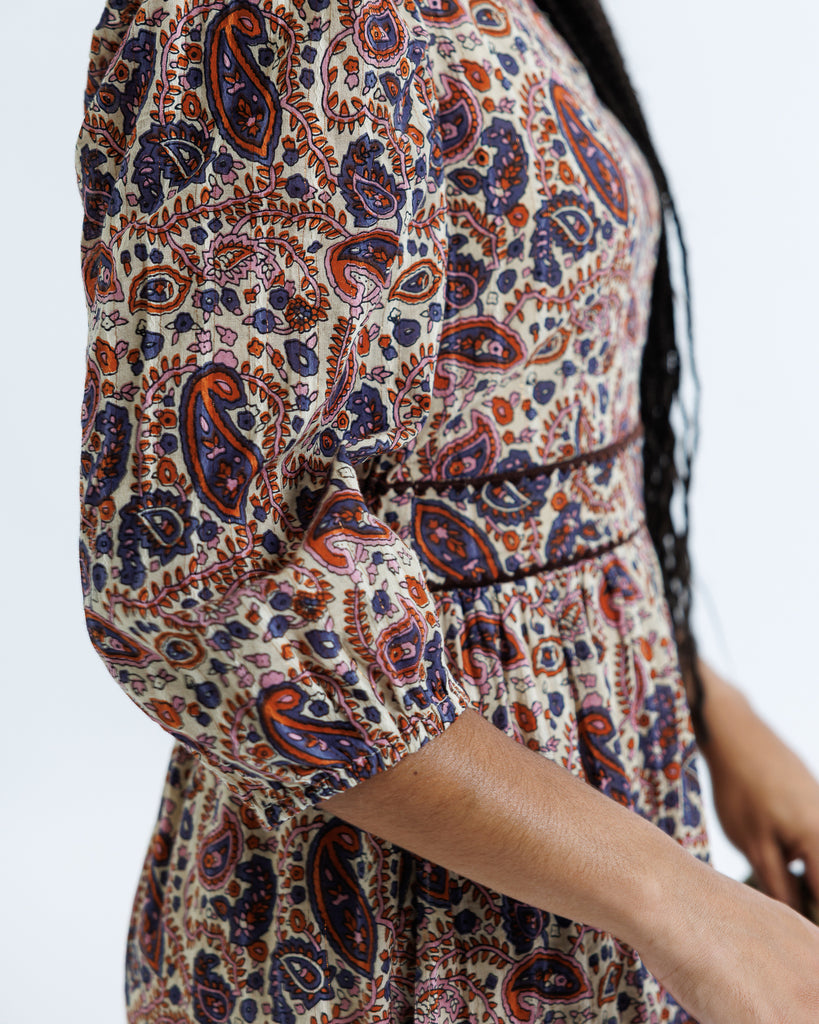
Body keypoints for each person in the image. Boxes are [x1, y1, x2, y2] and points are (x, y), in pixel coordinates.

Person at [75, 0, 819, 1019]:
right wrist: (681, 906)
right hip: (402, 929)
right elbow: (198, 585)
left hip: (583, 876)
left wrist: (705, 703)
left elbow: (509, 464)